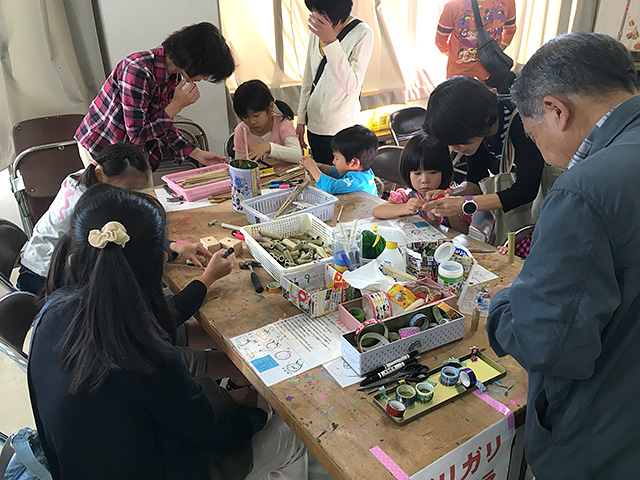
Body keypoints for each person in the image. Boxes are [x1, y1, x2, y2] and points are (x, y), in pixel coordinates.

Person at [29, 184, 308, 480]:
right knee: (291, 435)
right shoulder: (146, 354)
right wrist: (257, 414)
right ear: (161, 261)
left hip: (82, 463)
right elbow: (215, 435)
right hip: (156, 468)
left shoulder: (54, 309)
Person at [486, 32, 640, 479]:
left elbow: (546, 344)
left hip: (601, 444)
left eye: (533, 135)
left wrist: (502, 304)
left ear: (556, 110)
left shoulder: (586, 189)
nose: (541, 151)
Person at [17, 143, 209, 295]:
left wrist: (174, 246)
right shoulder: (90, 206)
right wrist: (170, 248)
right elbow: (130, 241)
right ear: (100, 173)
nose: (130, 195)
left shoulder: (81, 178)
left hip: (39, 262)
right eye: (127, 189)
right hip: (43, 277)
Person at [75, 22, 233, 182]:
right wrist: (176, 106)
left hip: (130, 150)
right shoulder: (137, 70)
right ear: (194, 59)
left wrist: (197, 153)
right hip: (102, 145)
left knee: (143, 193)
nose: (204, 78)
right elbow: (137, 134)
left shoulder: (173, 76)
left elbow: (161, 125)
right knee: (118, 196)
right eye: (206, 72)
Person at [421, 76, 544, 233]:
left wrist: (465, 203)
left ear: (480, 119)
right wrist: (451, 193)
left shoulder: (520, 121)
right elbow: (476, 179)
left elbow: (526, 190)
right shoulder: (475, 132)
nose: (453, 148)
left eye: (457, 141)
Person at [296, 0, 374, 165]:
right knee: (320, 176)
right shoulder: (317, 33)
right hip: (314, 126)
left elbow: (351, 85)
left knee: (341, 180)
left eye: (321, 14)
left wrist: (331, 42)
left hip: (342, 130)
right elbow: (308, 79)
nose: (316, 18)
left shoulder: (362, 33)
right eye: (314, 12)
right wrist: (301, 119)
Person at [372, 134, 470, 234]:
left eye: (433, 172)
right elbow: (377, 212)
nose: (424, 180)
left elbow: (463, 232)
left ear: (444, 172)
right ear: (407, 173)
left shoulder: (452, 198)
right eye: (417, 173)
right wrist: (405, 208)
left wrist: (451, 213)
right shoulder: (406, 197)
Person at [436, 0, 517, 81]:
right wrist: (496, 51)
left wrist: (458, 55)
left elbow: (440, 40)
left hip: (486, 74)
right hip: (464, 76)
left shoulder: (452, 6)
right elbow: (440, 40)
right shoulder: (453, 6)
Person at [232, 79, 302, 164]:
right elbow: (240, 163)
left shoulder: (283, 124)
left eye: (256, 115)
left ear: (270, 107)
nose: (252, 122)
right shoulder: (241, 130)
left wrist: (269, 147)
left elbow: (297, 155)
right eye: (245, 117)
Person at [301, 124, 377, 195]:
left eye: (336, 158)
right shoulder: (360, 172)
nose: (333, 162)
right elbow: (337, 172)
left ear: (354, 163)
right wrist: (319, 166)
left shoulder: (358, 182)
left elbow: (329, 187)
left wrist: (312, 168)